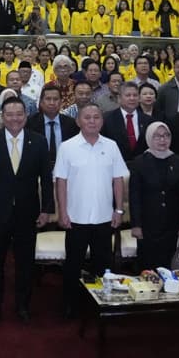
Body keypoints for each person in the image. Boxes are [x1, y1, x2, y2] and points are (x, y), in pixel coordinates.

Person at [0, 96, 52, 324]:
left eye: (19, 114)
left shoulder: (38, 142)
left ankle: (22, 305)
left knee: (25, 263)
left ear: (26, 116)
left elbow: (46, 179)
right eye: (9, 114)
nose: (15, 119)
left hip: (27, 214)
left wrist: (47, 208)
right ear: (2, 117)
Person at [55, 103, 127, 319]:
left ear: (102, 121)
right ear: (78, 121)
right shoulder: (67, 147)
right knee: (72, 265)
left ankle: (100, 306)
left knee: (103, 265)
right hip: (75, 218)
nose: (92, 121)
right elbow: (61, 182)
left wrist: (119, 210)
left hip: (104, 217)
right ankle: (70, 305)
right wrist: (63, 213)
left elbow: (118, 180)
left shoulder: (112, 145)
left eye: (96, 117)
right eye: (87, 117)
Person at [129, 121, 179, 270]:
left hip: (172, 224)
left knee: (169, 267)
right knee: (148, 267)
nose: (162, 140)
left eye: (166, 136)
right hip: (147, 225)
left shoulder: (178, 160)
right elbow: (134, 196)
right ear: (149, 138)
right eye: (157, 136)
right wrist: (136, 225)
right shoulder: (139, 162)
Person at [26, 84, 78, 165]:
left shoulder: (71, 123)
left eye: (55, 99)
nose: (52, 103)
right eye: (48, 99)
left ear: (61, 102)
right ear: (41, 102)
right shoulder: (30, 123)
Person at [100, 81, 151, 161]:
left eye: (135, 95)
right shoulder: (107, 119)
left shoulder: (148, 120)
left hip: (142, 167)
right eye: (128, 95)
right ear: (119, 98)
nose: (132, 98)